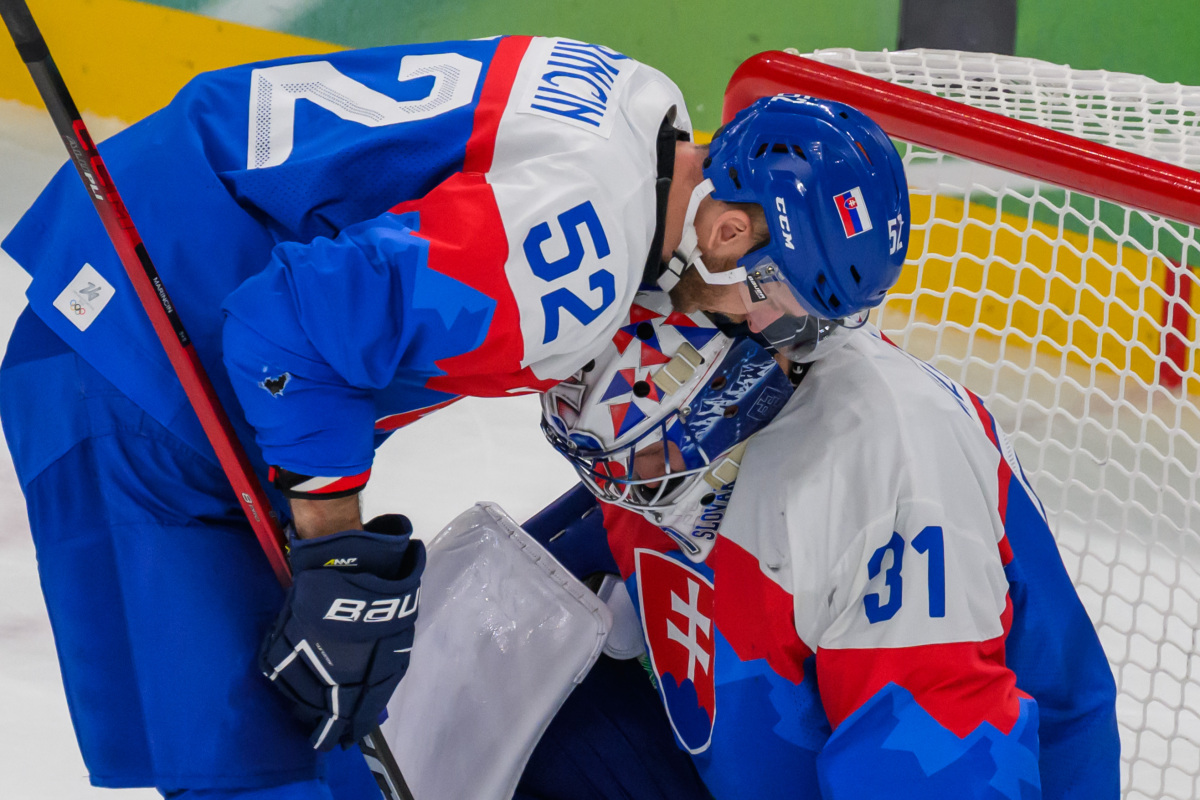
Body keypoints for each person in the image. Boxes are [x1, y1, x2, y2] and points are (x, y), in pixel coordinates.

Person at [0, 24, 908, 795]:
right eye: (777, 298)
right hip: (135, 366)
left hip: (149, 302)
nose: (765, 326)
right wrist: (336, 560)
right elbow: (286, 329)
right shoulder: (582, 256)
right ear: (728, 230)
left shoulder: (644, 108)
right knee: (257, 763)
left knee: (295, 743)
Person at [529, 282, 1120, 799]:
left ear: (726, 396)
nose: (617, 482)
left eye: (641, 453)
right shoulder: (667, 420)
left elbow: (933, 761)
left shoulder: (883, 477)